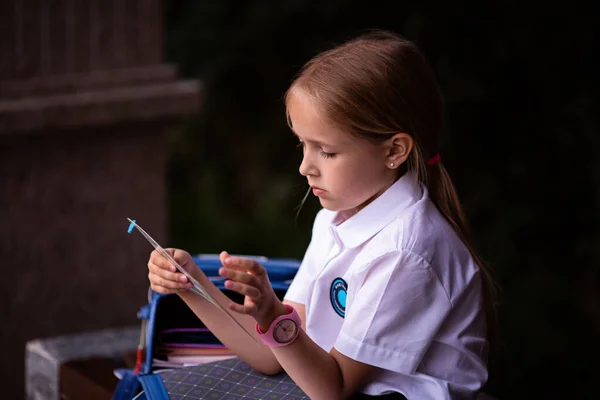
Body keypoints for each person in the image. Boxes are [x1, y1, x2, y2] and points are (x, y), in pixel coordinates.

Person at [147, 30, 497, 400]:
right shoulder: (335, 220)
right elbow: (272, 356)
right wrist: (190, 285)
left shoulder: (404, 252)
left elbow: (333, 388)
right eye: (303, 145)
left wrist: (273, 317)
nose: (304, 167)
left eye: (326, 151)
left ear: (394, 150)